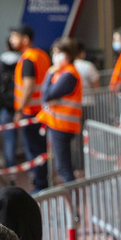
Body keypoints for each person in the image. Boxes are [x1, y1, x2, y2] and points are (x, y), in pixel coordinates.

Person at [10, 24, 51, 192]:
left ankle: (39, 186)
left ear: (25, 40)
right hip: (43, 112)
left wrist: (19, 110)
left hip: (31, 114)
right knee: (41, 150)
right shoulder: (42, 55)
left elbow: (29, 86)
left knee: (34, 152)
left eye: (15, 36)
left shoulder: (28, 59)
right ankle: (42, 183)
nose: (12, 40)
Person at [38, 37, 83, 187]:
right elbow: (47, 96)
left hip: (62, 125)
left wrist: (50, 73)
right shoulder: (63, 72)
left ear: (68, 55)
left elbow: (46, 95)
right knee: (62, 166)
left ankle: (72, 204)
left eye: (58, 52)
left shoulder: (69, 74)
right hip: (58, 124)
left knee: (64, 168)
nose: (54, 56)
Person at [0, 40, 21, 172]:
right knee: (27, 141)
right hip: (20, 106)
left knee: (9, 139)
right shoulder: (22, 61)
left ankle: (10, 170)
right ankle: (33, 170)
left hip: (5, 106)